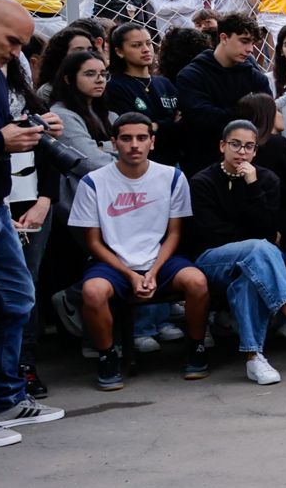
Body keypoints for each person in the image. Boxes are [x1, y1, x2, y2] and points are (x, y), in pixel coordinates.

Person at [188, 119, 286, 383]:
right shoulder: (203, 181)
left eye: (249, 147)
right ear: (222, 146)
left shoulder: (266, 179)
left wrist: (253, 187)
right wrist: (250, 241)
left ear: (256, 151)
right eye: (235, 145)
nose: (242, 152)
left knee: (248, 280)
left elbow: (269, 229)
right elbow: (211, 233)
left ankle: (254, 359)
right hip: (213, 260)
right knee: (259, 249)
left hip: (256, 260)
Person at [72, 113, 211, 390]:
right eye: (126, 139)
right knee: (93, 292)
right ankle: (107, 356)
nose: (134, 145)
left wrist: (153, 271)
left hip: (160, 258)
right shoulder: (93, 182)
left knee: (197, 282)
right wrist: (132, 275)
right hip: (113, 262)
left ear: (152, 142)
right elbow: (93, 242)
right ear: (114, 143)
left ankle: (196, 348)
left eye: (141, 138)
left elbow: (174, 233)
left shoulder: (172, 177)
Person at [0, 0, 63, 441]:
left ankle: (4, 399)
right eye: (11, 40)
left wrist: (31, 126)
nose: (16, 51)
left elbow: (0, 130)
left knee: (16, 301)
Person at [174, 14, 272, 177]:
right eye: (244, 41)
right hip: (203, 164)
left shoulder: (254, 77)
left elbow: (265, 114)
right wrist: (244, 113)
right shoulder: (191, 75)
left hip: (249, 165)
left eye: (253, 43)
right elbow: (202, 117)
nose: (250, 49)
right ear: (224, 38)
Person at [104, 23, 182, 166]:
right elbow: (134, 128)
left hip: (174, 161)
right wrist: (169, 123)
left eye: (148, 43)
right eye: (136, 45)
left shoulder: (164, 83)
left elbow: (184, 123)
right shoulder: (115, 86)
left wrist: (157, 125)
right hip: (142, 164)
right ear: (119, 51)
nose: (146, 50)